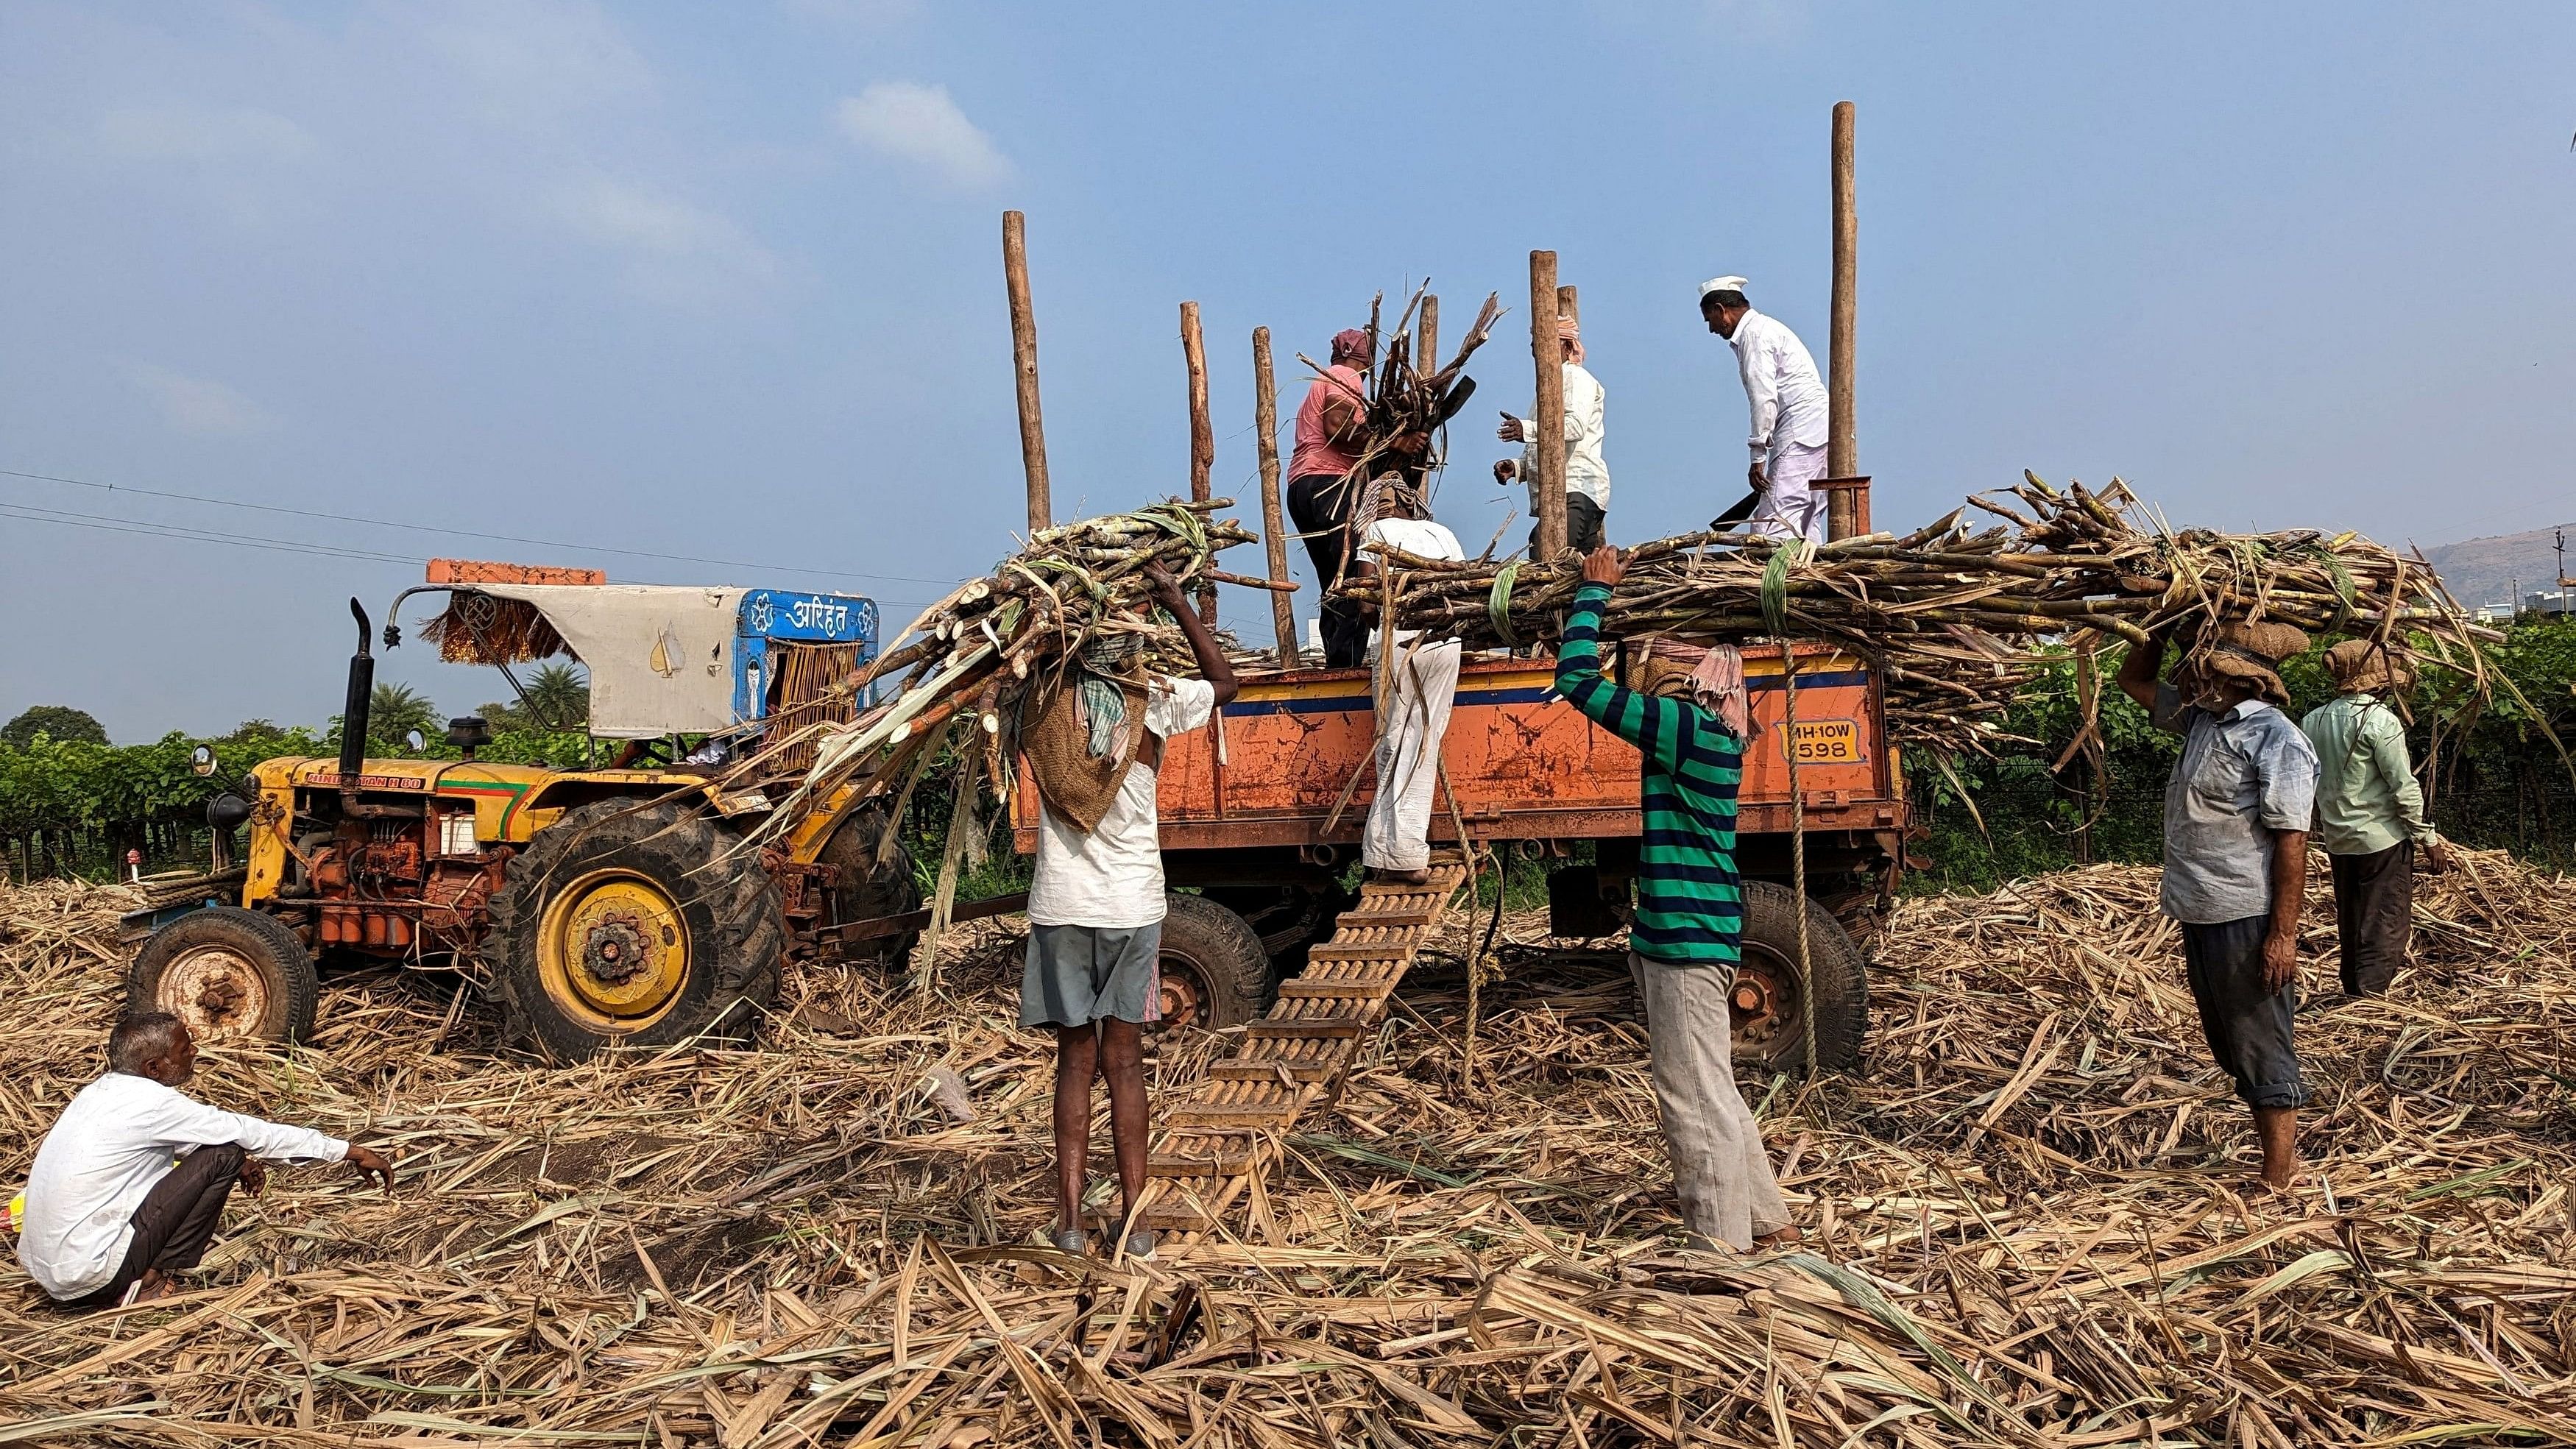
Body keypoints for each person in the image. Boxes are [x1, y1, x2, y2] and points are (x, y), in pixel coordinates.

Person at [1557, 544, 1796, 1252]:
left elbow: (1576, 680)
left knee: (1690, 1096)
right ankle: (1768, 1221)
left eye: (1664, 665)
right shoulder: (1716, 737)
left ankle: (1720, 1248)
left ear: (1693, 681)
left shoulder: (1685, 730)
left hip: (1688, 943)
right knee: (1713, 1084)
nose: (1653, 677)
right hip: (1696, 935)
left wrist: (1593, 595)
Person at [1019, 563, 1238, 1259]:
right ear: (1132, 647)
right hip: (1133, 909)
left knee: (1074, 1063)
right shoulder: (1154, 701)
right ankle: (1138, 1225)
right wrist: (1179, 603)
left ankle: (1070, 1222)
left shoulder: (1043, 701)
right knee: (1126, 1062)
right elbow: (1227, 683)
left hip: (1061, 910)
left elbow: (1004, 668)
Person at [2117, 619, 2320, 1192]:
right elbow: (2132, 679)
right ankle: (2275, 1160)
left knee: (2259, 1040)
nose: (2189, 671)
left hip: (2245, 914)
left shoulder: (2276, 739)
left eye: (2199, 663)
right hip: (2199, 907)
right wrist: (2155, 627)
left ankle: (2278, 1176)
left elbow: (2292, 840)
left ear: (2229, 677)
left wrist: (2282, 935)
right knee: (2229, 1042)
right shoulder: (2203, 720)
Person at [18, 1013, 395, 1309]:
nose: (194, 1053)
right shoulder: (153, 1103)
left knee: (226, 1151)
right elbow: (248, 1132)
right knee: (225, 1153)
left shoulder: (99, 1093)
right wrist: (350, 1151)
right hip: (93, 1277)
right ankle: (147, 1282)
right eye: (185, 1049)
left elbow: (149, 1143)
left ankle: (138, 1272)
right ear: (154, 1068)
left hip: (54, 1274)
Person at [2301, 640, 2453, 997]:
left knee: (2351, 919)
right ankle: (2370, 999)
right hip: (2381, 840)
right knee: (2385, 922)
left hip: (2339, 840)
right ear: (2379, 681)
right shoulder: (2382, 722)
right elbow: (2403, 786)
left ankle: (2354, 991)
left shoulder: (2313, 720)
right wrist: (2427, 839)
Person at [1347, 478, 1466, 886]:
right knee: (1422, 739)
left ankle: (1404, 853)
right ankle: (1383, 850)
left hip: (1400, 640)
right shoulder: (1444, 533)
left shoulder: (1375, 531)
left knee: (1395, 741)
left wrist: (1367, 621)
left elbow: (1366, 599)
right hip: (1448, 641)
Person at [1699, 277, 1830, 545]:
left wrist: (1757, 455)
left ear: (1722, 309)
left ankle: (1775, 581)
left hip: (1800, 427)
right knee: (1806, 514)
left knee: (1775, 517)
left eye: (1709, 319)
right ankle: (1807, 573)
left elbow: (1763, 398)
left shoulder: (1754, 335)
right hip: (1818, 427)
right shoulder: (1766, 328)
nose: (1712, 329)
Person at [1284, 329, 1376, 668]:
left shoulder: (1322, 380)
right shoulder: (1345, 375)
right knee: (1353, 575)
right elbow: (1336, 425)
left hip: (1302, 485)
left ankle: (1336, 660)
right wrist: (1389, 441)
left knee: (1332, 580)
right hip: (1329, 482)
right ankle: (1345, 666)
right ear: (1360, 355)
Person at [1493, 316, 1610, 556]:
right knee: (1563, 561)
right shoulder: (1548, 389)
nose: (1537, 351)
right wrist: (1519, 468)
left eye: (1544, 343)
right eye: (1535, 345)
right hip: (1561, 495)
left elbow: (1574, 427)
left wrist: (1526, 430)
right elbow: (1550, 448)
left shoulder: (1575, 378)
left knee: (1546, 552)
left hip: (1577, 489)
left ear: (1568, 347)